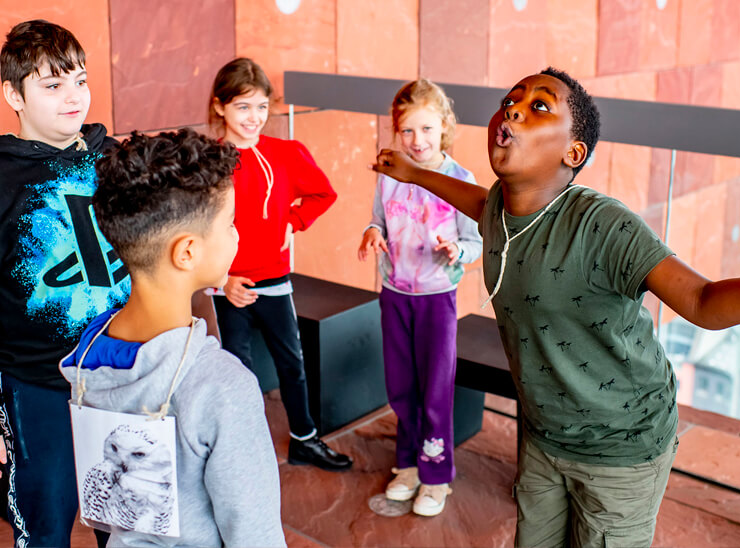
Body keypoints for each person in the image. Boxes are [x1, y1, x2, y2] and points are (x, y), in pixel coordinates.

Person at [373, 67, 740, 546]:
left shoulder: (602, 225)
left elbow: (700, 300)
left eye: (539, 105)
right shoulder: (500, 207)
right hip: (545, 435)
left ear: (573, 152)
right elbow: (477, 201)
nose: (513, 107)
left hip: (622, 447)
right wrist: (414, 174)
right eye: (510, 98)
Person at [0, 20, 129, 547]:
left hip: (121, 377)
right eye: (52, 85)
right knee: (46, 526)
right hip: (37, 387)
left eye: (81, 81)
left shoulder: (112, 160)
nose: (74, 97)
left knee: (130, 525)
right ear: (12, 94)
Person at [60, 128, 286, 547]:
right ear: (187, 252)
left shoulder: (88, 356)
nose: (236, 234)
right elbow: (255, 535)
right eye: (229, 224)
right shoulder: (223, 386)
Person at [208, 57, 351, 470]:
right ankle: (242, 449)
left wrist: (294, 219)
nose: (253, 117)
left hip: (274, 281)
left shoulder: (286, 153)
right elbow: (195, 229)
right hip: (227, 288)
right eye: (242, 107)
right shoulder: (209, 161)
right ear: (220, 107)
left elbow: (324, 194)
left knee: (293, 365)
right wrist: (221, 281)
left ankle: (304, 439)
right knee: (236, 372)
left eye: (261, 107)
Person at [358, 79, 482, 516]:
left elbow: (476, 241)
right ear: (396, 131)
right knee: (401, 385)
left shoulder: (461, 181)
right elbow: (378, 219)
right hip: (395, 295)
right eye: (408, 131)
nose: (417, 141)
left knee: (434, 389)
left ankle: (436, 476)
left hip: (436, 299)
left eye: (427, 129)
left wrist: (459, 252)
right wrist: (372, 233)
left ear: (444, 127)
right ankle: (408, 464)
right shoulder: (389, 173)